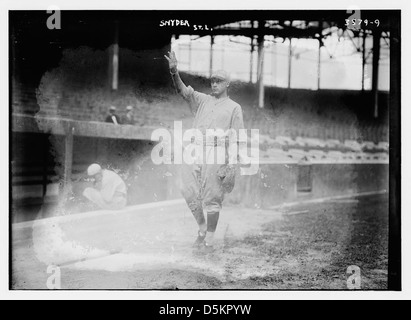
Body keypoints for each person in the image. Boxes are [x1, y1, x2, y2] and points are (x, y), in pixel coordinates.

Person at [164, 51, 245, 253]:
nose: (214, 84)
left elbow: (236, 138)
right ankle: (201, 227)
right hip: (196, 149)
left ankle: (209, 238)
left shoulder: (234, 108)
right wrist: (174, 72)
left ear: (227, 84)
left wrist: (231, 165)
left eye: (219, 81)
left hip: (217, 152)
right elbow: (183, 91)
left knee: (212, 199)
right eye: (212, 81)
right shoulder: (202, 100)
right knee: (185, 188)